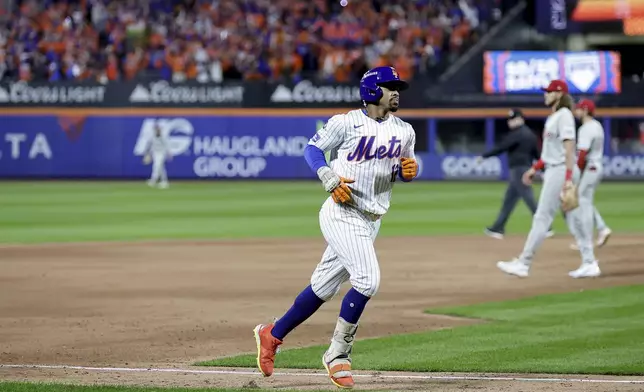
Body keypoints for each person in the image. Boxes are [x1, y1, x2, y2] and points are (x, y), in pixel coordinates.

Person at [253, 66, 418, 389]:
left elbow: (404, 168)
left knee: (322, 287)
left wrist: (410, 171)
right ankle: (338, 353)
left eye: (397, 86)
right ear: (372, 91)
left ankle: (271, 334)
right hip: (341, 212)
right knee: (368, 281)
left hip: (372, 220)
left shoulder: (405, 131)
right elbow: (313, 149)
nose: (396, 91)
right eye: (389, 86)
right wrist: (327, 176)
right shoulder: (346, 122)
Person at [496, 79, 599, 278]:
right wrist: (535, 168)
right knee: (574, 218)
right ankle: (589, 262)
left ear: (559, 94)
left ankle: (524, 263)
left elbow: (569, 147)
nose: (546, 94)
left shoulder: (564, 116)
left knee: (542, 216)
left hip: (561, 170)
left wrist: (568, 177)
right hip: (555, 168)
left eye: (549, 91)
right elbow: (551, 151)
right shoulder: (555, 117)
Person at [477, 108, 554, 239]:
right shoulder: (530, 134)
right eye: (510, 119)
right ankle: (498, 227)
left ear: (520, 119)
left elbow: (501, 147)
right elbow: (537, 154)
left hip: (519, 170)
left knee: (529, 199)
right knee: (509, 200)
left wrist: (484, 156)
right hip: (525, 168)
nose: (510, 122)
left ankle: (545, 226)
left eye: (513, 119)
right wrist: (541, 169)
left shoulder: (517, 134)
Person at [568, 99, 612, 251]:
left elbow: (582, 154)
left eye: (579, 109)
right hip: (596, 166)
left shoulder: (585, 128)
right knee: (585, 200)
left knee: (580, 201)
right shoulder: (597, 125)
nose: (576, 111)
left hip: (589, 167)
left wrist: (577, 173)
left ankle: (585, 240)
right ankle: (601, 229)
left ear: (586, 110)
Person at [144, 124, 172, 189]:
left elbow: (167, 146)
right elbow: (149, 145)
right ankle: (164, 181)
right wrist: (147, 154)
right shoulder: (152, 136)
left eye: (158, 129)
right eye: (156, 129)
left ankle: (153, 180)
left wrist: (169, 153)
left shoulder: (163, 137)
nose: (157, 130)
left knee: (156, 165)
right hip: (155, 153)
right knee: (161, 168)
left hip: (161, 153)